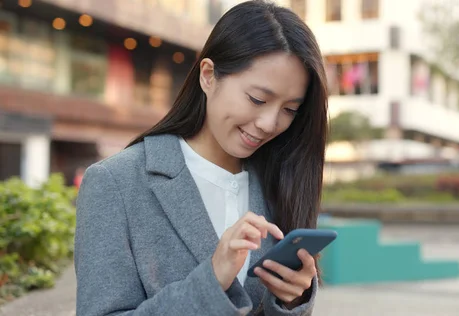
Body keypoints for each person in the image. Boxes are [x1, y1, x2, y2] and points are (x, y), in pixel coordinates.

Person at [74, 0, 328, 315]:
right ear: (208, 75)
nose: (269, 123)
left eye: (290, 109)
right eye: (257, 99)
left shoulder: (280, 179)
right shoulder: (117, 183)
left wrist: (293, 300)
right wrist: (210, 281)